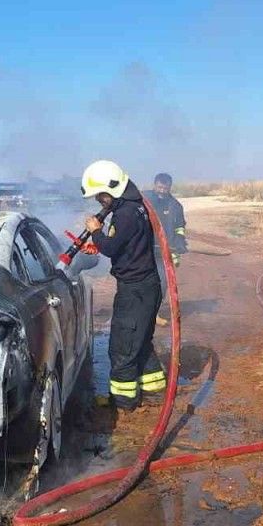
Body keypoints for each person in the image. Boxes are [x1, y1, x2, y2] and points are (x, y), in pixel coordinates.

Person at [81, 159, 167, 411]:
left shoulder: (126, 214)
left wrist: (96, 231)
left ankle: (123, 401)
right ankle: (154, 389)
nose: (99, 201)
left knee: (122, 347)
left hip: (135, 290)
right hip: (146, 286)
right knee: (140, 342)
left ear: (113, 189)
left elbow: (110, 247)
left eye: (101, 195)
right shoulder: (135, 206)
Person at [144, 172, 187, 326]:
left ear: (170, 188)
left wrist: (180, 241)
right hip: (144, 250)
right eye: (159, 187)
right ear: (155, 185)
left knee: (162, 283)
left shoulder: (175, 206)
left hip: (165, 251)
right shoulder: (144, 200)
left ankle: (153, 314)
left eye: (165, 188)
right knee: (143, 282)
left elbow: (180, 226)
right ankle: (141, 312)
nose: (162, 191)